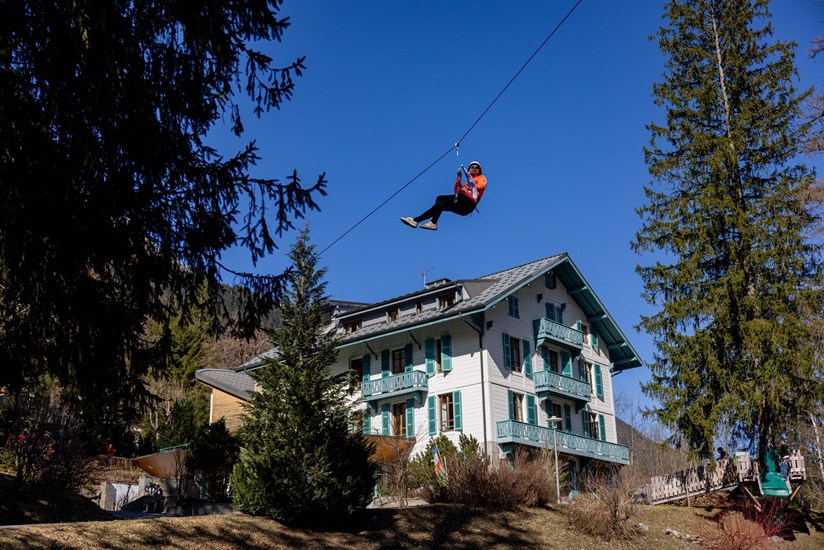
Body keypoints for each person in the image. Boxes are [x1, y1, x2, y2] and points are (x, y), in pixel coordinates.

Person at [401, 161, 487, 230]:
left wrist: (468, 187)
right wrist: (459, 179)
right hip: (461, 203)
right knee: (439, 205)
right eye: (472, 167)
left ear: (479, 171)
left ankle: (432, 222)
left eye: (477, 167)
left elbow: (481, 185)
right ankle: (416, 221)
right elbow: (455, 191)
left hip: (468, 203)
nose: (474, 168)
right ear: (468, 170)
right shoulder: (466, 184)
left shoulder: (481, 178)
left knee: (440, 199)